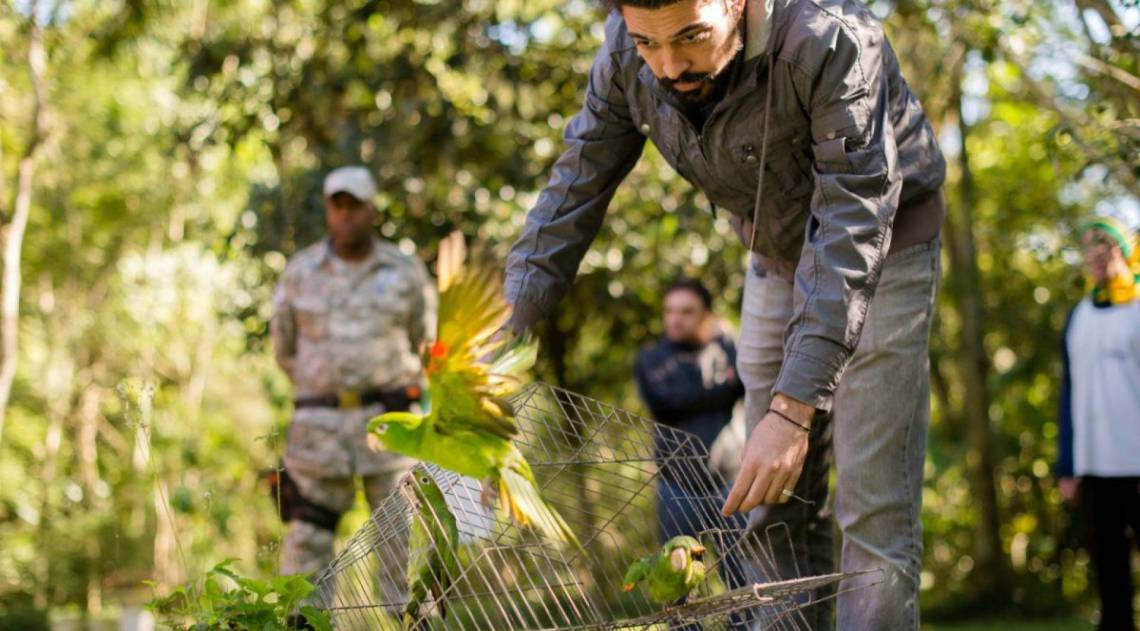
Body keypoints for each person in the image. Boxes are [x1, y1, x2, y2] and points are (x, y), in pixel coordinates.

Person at [503, 0, 945, 627]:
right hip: (774, 252)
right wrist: (501, 335)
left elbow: (853, 221)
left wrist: (793, 408)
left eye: (691, 36)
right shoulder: (626, 54)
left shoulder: (830, 39)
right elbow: (573, 189)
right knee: (768, 501)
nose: (668, 66)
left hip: (883, 245)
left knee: (871, 511)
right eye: (648, 44)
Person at [270, 166, 436, 577]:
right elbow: (284, 350)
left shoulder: (404, 271)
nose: (346, 214)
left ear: (372, 209)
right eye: (337, 205)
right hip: (318, 433)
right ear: (328, 210)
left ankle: (412, 614)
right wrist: (324, 385)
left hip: (391, 427)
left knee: (405, 547)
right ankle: (305, 615)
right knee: (306, 549)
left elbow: (427, 344)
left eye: (355, 205)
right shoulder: (300, 273)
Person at [1056, 215, 1140, 631]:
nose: (1095, 255)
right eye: (1089, 247)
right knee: (1108, 568)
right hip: (1093, 466)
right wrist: (1067, 466)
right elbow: (1068, 393)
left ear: (1122, 251)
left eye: (1104, 245)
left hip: (1136, 462)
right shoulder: (1078, 317)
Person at [634, 278, 744, 541]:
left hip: (730, 483)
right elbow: (666, 404)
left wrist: (728, 342)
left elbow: (746, 384)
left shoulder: (726, 350)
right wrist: (723, 389)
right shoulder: (651, 358)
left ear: (707, 316)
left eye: (686, 312)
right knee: (678, 566)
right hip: (677, 488)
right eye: (670, 311)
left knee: (741, 565)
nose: (675, 319)